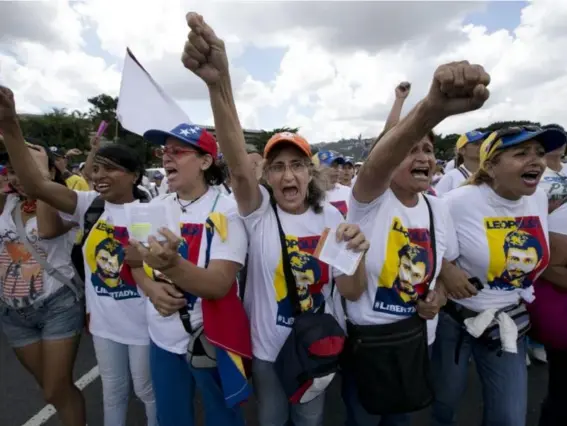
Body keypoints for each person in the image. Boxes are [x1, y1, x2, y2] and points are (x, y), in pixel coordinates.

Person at [182, 13, 370, 426]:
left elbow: (352, 292)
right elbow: (235, 158)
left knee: (309, 420)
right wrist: (219, 83)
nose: (288, 175)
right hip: (268, 350)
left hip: (319, 347)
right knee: (270, 420)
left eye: (298, 165)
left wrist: (356, 253)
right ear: (266, 176)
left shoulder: (331, 217)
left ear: (310, 172)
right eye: (279, 166)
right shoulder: (259, 214)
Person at [342, 60, 489, 425]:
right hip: (369, 344)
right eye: (411, 149)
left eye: (427, 150)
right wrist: (431, 109)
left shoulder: (438, 210)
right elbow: (376, 164)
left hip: (416, 340)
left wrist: (437, 297)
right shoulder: (369, 200)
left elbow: (441, 270)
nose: (423, 156)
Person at [0, 87, 157, 426]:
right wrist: (10, 127)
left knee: (146, 391)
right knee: (113, 392)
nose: (99, 176)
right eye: (96, 170)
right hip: (104, 325)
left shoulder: (152, 212)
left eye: (110, 169)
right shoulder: (89, 206)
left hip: (144, 324)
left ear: (134, 175)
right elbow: (38, 186)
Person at [433, 125, 567, 426]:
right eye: (521, 153)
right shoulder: (457, 202)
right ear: (490, 165)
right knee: (444, 402)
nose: (535, 161)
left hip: (507, 323)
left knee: (509, 418)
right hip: (457, 320)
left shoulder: (538, 199)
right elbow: (425, 245)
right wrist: (445, 268)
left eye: (539, 153)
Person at [128, 123, 251, 426]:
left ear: (205, 161)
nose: (166, 159)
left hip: (210, 337)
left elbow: (219, 285)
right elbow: (132, 259)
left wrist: (170, 266)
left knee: (223, 418)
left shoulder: (228, 211)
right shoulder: (155, 207)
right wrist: (150, 288)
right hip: (162, 339)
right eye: (164, 151)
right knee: (171, 418)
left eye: (177, 152)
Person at [0, 139, 86, 426]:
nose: (18, 177)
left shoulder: (65, 199)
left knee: (55, 388)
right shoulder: (7, 203)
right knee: (54, 394)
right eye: (12, 170)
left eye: (24, 169)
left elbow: (48, 230)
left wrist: (42, 180)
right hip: (13, 313)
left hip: (58, 305)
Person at [435, 130, 486, 196]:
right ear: (462, 150)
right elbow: (436, 201)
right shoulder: (450, 177)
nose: (482, 146)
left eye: (484, 142)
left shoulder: (492, 173)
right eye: (476, 143)